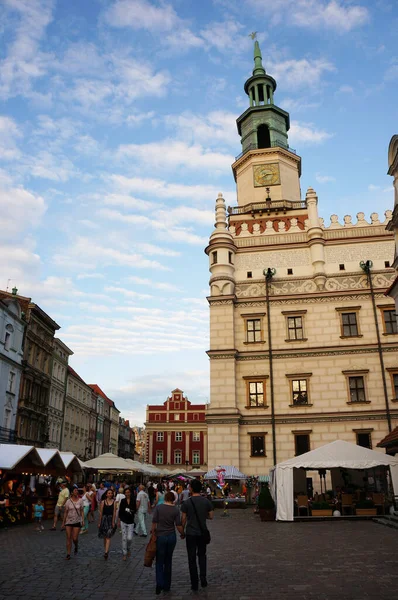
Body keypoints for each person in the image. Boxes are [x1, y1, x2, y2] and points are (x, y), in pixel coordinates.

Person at [181, 479, 214, 591]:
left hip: (190, 533)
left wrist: (181, 532)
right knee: (202, 555)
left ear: (190, 488)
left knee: (191, 558)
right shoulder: (206, 502)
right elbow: (211, 516)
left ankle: (194, 583)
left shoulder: (186, 503)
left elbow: (183, 519)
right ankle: (203, 578)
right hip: (202, 532)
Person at [151, 491, 184, 595]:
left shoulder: (159, 508)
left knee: (159, 560)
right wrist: (183, 533)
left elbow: (154, 522)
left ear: (165, 498)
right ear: (173, 499)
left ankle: (159, 583)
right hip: (171, 536)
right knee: (168, 560)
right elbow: (178, 524)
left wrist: (153, 534)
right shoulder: (175, 509)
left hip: (160, 536)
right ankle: (167, 585)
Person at [62, 486, 84, 560]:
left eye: (77, 490)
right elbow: (65, 512)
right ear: (71, 492)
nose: (76, 491)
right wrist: (63, 522)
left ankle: (76, 545)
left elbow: (82, 511)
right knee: (68, 538)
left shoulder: (80, 500)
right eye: (75, 490)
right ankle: (68, 554)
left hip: (77, 521)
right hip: (68, 521)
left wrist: (83, 520)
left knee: (74, 538)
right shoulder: (68, 501)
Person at [98, 488, 116, 560]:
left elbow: (114, 513)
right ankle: (106, 549)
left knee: (108, 536)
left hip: (110, 520)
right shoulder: (103, 502)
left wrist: (113, 521)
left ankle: (106, 552)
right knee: (105, 537)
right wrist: (99, 522)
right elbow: (101, 513)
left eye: (111, 493)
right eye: (109, 493)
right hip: (104, 520)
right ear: (106, 494)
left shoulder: (114, 502)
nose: (110, 494)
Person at [119, 487, 136, 560]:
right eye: (126, 492)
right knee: (124, 538)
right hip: (123, 520)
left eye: (128, 492)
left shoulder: (133, 500)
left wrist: (130, 511)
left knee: (129, 538)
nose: (127, 494)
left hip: (131, 521)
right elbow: (120, 511)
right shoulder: (123, 501)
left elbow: (135, 510)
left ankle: (128, 548)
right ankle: (124, 553)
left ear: (130, 493)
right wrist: (119, 519)